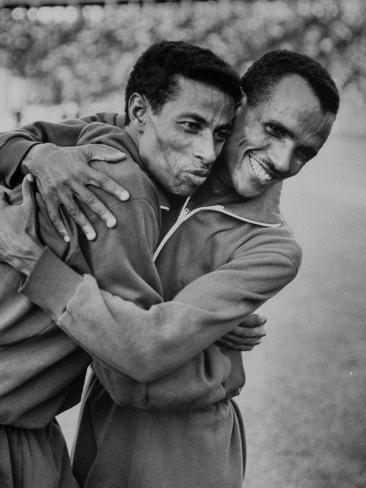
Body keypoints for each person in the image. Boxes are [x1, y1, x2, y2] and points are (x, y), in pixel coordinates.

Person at [0, 50, 339, 488]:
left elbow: (143, 353)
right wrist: (38, 155)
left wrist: (34, 263)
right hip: (101, 420)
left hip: (184, 442)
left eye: (304, 153)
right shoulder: (148, 147)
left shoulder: (271, 246)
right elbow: (13, 141)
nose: (281, 160)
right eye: (274, 130)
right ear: (238, 106)